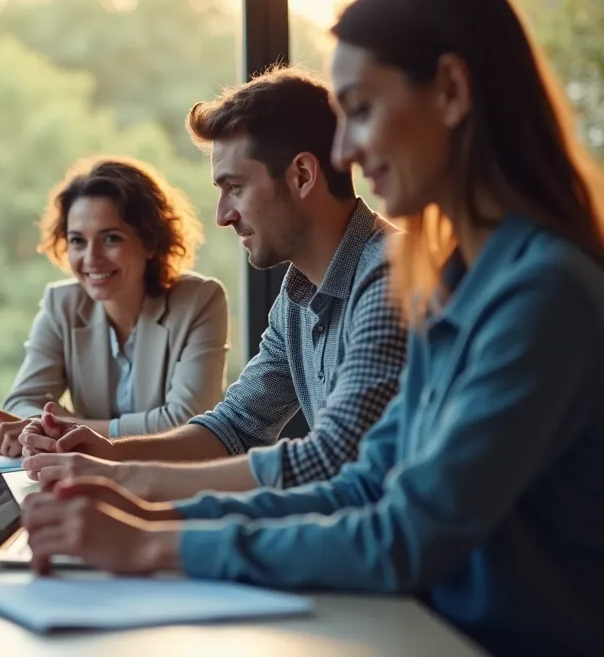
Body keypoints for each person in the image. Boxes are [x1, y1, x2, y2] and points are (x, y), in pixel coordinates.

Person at [21, 0, 604, 653]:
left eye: (359, 111)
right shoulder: (462, 283)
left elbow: (402, 535)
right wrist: (147, 514)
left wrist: (156, 540)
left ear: (449, 91)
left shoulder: (540, 294)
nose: (346, 151)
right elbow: (363, 483)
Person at [21, 67, 408, 498]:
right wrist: (110, 454)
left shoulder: (390, 275)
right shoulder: (298, 293)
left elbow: (332, 459)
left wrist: (125, 482)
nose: (223, 214)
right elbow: (235, 427)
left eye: (235, 187)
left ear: (302, 175)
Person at [0, 157, 227, 458]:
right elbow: (20, 405)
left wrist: (69, 427)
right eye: (77, 241)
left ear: (151, 243)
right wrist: (56, 427)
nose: (91, 258)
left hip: (174, 482)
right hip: (90, 480)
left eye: (111, 238)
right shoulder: (61, 304)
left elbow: (185, 422)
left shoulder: (200, 300)